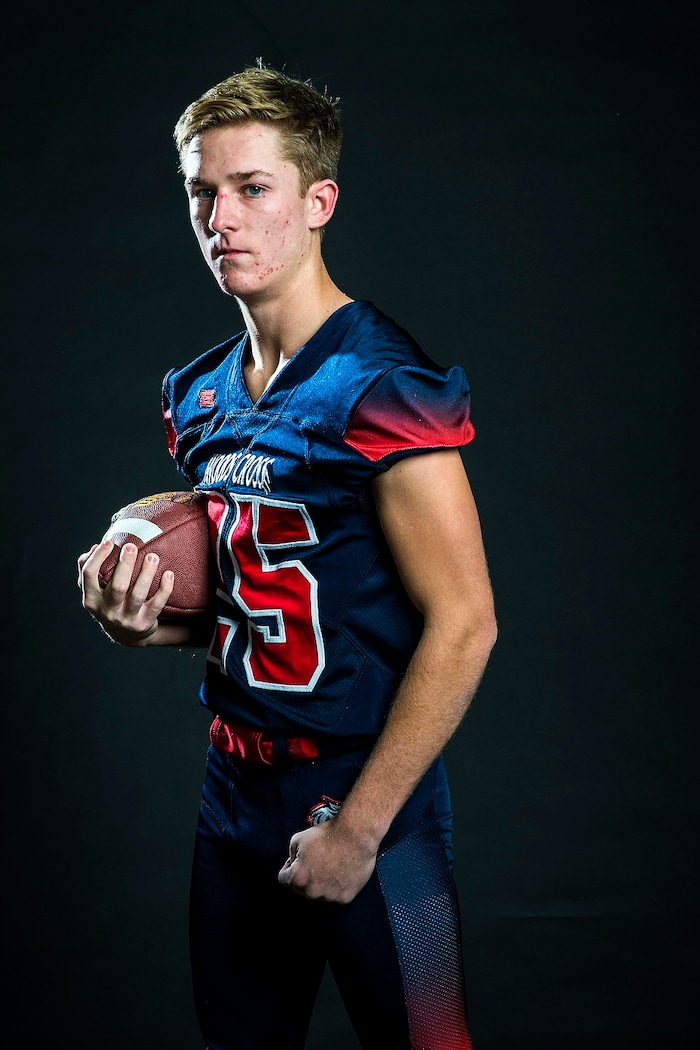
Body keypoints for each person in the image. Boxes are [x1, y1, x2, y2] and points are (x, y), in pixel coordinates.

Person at [78, 62, 497, 1050]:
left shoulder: (380, 383)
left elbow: (467, 621)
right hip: (234, 791)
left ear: (317, 201)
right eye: (201, 192)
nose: (221, 217)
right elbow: (268, 605)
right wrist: (142, 619)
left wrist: (359, 827)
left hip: (365, 794)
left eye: (251, 188)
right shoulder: (200, 394)